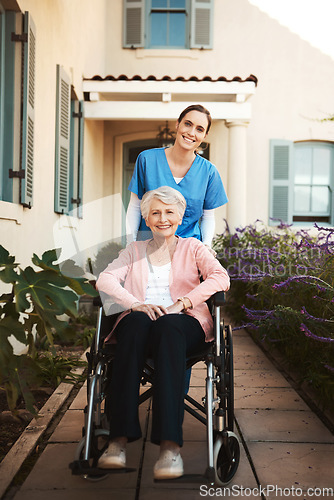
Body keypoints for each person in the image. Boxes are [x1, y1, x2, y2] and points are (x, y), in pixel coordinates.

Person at [96, 186, 230, 480]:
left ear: (180, 217)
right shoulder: (133, 251)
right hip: (141, 321)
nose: (162, 218)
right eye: (155, 212)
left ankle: (170, 448)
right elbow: (105, 280)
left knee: (169, 326)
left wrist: (183, 303)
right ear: (146, 218)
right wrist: (135, 304)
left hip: (183, 322)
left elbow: (221, 277)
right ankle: (117, 442)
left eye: (169, 212)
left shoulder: (194, 248)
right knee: (133, 324)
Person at [126, 104, 228, 249]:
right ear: (177, 124)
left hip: (189, 253)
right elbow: (135, 207)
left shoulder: (209, 172)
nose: (191, 133)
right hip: (148, 249)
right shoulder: (147, 160)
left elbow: (208, 217)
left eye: (199, 129)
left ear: (204, 136)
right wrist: (130, 244)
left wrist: (206, 246)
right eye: (188, 124)